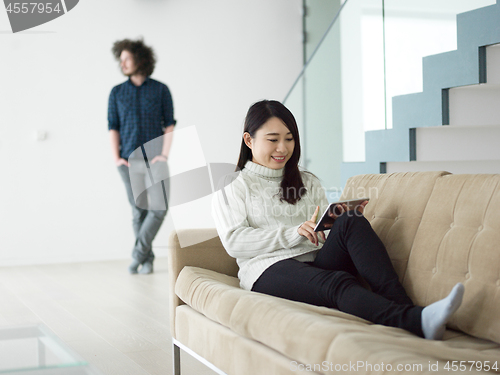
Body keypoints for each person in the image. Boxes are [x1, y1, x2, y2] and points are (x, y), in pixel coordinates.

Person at [212, 99, 464, 340]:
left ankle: (409, 310)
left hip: (315, 261)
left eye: (289, 139)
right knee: (337, 282)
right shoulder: (232, 184)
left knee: (349, 219)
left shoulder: (307, 181)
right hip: (267, 269)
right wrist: (294, 232)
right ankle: (416, 321)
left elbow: (321, 233)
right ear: (248, 140)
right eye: (273, 139)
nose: (283, 148)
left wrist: (326, 228)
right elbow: (234, 241)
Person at [108, 38, 176, 274]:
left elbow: (169, 125)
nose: (122, 63)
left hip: (155, 158)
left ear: (140, 58)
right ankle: (146, 259)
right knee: (138, 211)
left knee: (158, 208)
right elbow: (113, 126)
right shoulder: (117, 92)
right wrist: (117, 157)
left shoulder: (160, 90)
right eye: (121, 59)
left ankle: (137, 254)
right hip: (128, 160)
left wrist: (164, 155)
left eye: (127, 58)